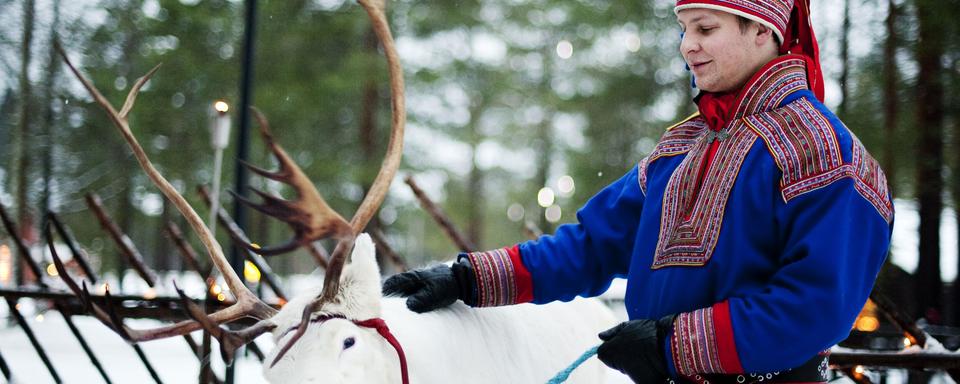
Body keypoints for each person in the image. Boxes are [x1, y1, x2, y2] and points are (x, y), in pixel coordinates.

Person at [383, 0, 894, 382]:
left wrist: (672, 345)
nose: (686, 45)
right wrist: (469, 279)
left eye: (705, 28)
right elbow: (593, 245)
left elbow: (813, 306)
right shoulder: (682, 145)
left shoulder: (827, 153)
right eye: (683, 29)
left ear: (764, 30)